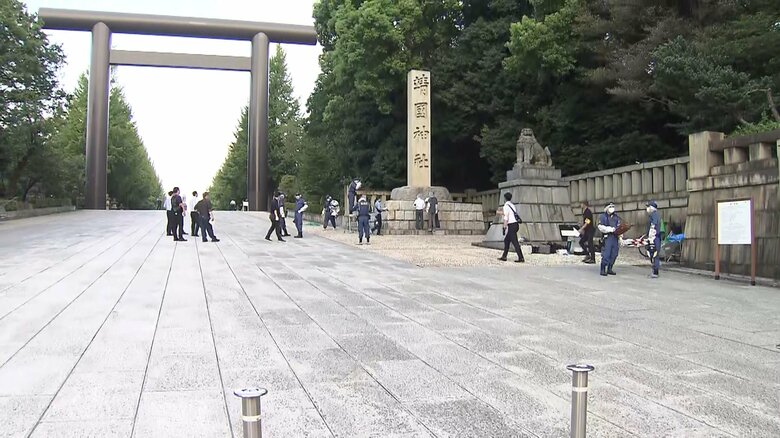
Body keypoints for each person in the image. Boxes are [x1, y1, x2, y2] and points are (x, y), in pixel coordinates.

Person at [498, 192, 525, 263]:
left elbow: (506, 217)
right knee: (506, 240)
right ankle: (504, 256)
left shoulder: (506, 206)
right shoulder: (512, 205)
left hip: (511, 226)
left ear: (505, 198)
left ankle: (521, 258)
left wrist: (504, 227)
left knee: (515, 242)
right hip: (515, 225)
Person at [597, 202, 621, 276]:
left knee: (614, 254)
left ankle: (610, 268)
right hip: (607, 237)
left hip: (615, 237)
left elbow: (619, 226)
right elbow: (600, 227)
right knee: (606, 254)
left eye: (613, 206)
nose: (612, 208)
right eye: (610, 207)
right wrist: (610, 229)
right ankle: (603, 269)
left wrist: (620, 236)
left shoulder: (616, 217)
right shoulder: (603, 217)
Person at [645, 200, 661, 278]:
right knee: (653, 254)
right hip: (654, 237)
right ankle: (654, 270)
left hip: (654, 238)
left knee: (654, 254)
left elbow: (653, 226)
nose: (647, 208)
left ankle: (655, 272)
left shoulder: (654, 215)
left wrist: (650, 238)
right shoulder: (654, 215)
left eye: (648, 207)